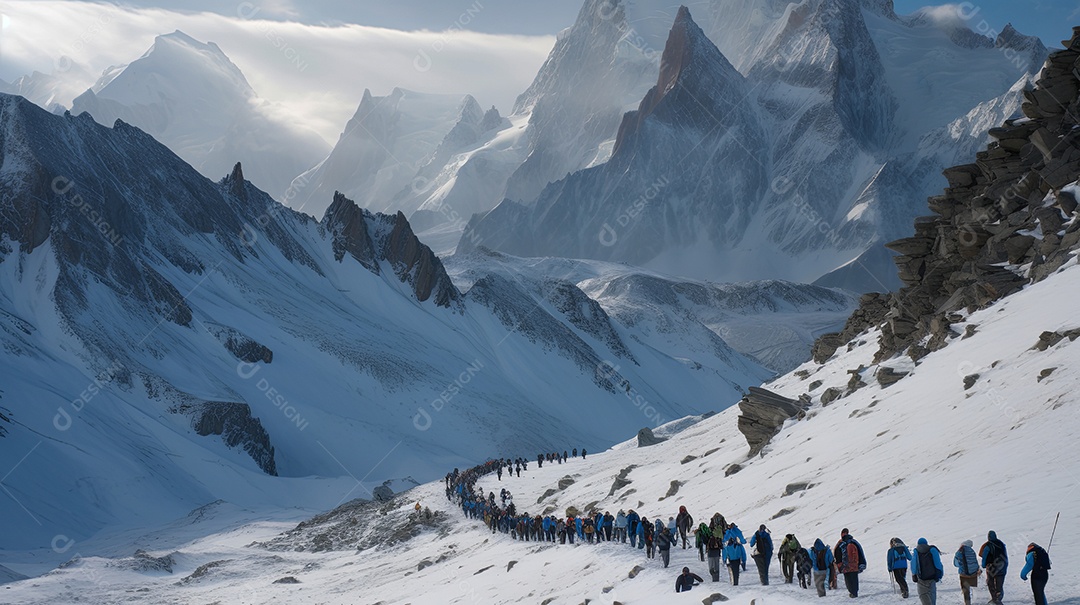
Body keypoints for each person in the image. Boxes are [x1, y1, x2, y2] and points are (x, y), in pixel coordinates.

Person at [911, 538, 943, 605]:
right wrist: (939, 574)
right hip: (932, 577)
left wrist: (914, 574)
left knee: (923, 596)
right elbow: (938, 563)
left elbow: (913, 564)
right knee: (932, 596)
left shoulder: (916, 551)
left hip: (921, 578)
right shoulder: (932, 550)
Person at [836, 529, 867, 597]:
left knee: (848, 579)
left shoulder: (840, 544)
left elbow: (837, 554)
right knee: (854, 578)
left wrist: (839, 565)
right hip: (854, 565)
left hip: (845, 566)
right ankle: (855, 592)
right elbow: (860, 552)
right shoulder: (854, 542)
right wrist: (862, 563)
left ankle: (851, 592)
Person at [980, 531, 1008, 605]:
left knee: (990, 582)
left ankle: (994, 599)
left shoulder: (988, 545)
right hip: (1002, 566)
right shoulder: (1001, 544)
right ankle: (999, 597)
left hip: (993, 567)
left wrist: (983, 565)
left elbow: (985, 556)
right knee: (999, 583)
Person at [954, 539, 980, 605]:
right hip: (973, 574)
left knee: (966, 590)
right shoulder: (972, 551)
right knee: (972, 587)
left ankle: (967, 603)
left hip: (964, 575)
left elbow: (955, 564)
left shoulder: (959, 552)